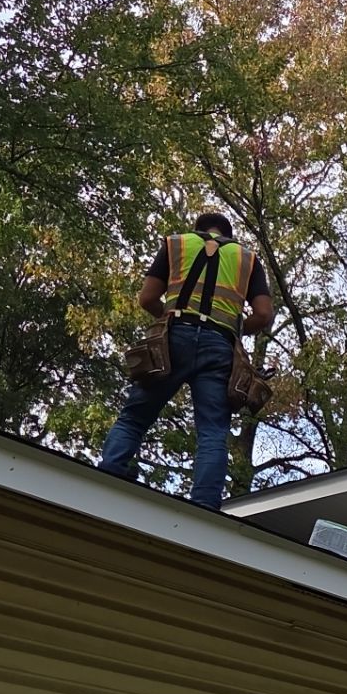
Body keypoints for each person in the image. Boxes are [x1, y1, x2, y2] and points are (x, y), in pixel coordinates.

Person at [98, 212, 275, 510]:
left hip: (174, 336)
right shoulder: (247, 259)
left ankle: (111, 471)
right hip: (219, 345)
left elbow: (147, 298)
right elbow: (264, 314)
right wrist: (232, 328)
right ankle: (205, 504)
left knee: (135, 416)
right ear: (228, 234)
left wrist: (170, 320)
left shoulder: (176, 244)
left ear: (198, 230)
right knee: (213, 431)